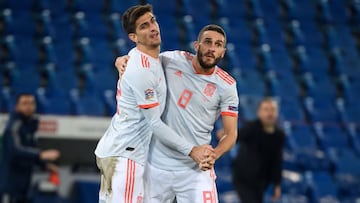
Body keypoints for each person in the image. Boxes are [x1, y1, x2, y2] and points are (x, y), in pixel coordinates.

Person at [94, 4, 212, 203]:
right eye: (144, 26)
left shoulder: (146, 58)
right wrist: (192, 151)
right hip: (126, 155)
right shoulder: (141, 69)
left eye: (153, 21)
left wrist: (119, 59)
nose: (152, 28)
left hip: (120, 152)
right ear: (133, 37)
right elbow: (154, 124)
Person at [115, 24, 239, 203]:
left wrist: (214, 154)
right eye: (208, 42)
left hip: (196, 170)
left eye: (218, 45)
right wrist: (122, 59)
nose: (212, 48)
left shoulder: (227, 85)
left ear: (223, 52)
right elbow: (141, 61)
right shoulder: (172, 60)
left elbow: (231, 133)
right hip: (156, 166)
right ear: (197, 45)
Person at [220, 98, 285, 203]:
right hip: (243, 178)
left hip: (262, 181)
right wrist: (225, 135)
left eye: (272, 110)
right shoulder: (251, 128)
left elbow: (277, 160)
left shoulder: (279, 135)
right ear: (259, 112)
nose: (269, 113)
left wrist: (277, 184)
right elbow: (235, 137)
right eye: (266, 109)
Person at [0, 93, 60, 203]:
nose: (28, 107)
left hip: (24, 185)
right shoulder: (13, 126)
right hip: (10, 184)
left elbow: (29, 151)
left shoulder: (30, 127)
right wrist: (41, 154)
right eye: (24, 103)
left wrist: (45, 165)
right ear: (17, 106)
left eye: (32, 103)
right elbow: (15, 150)